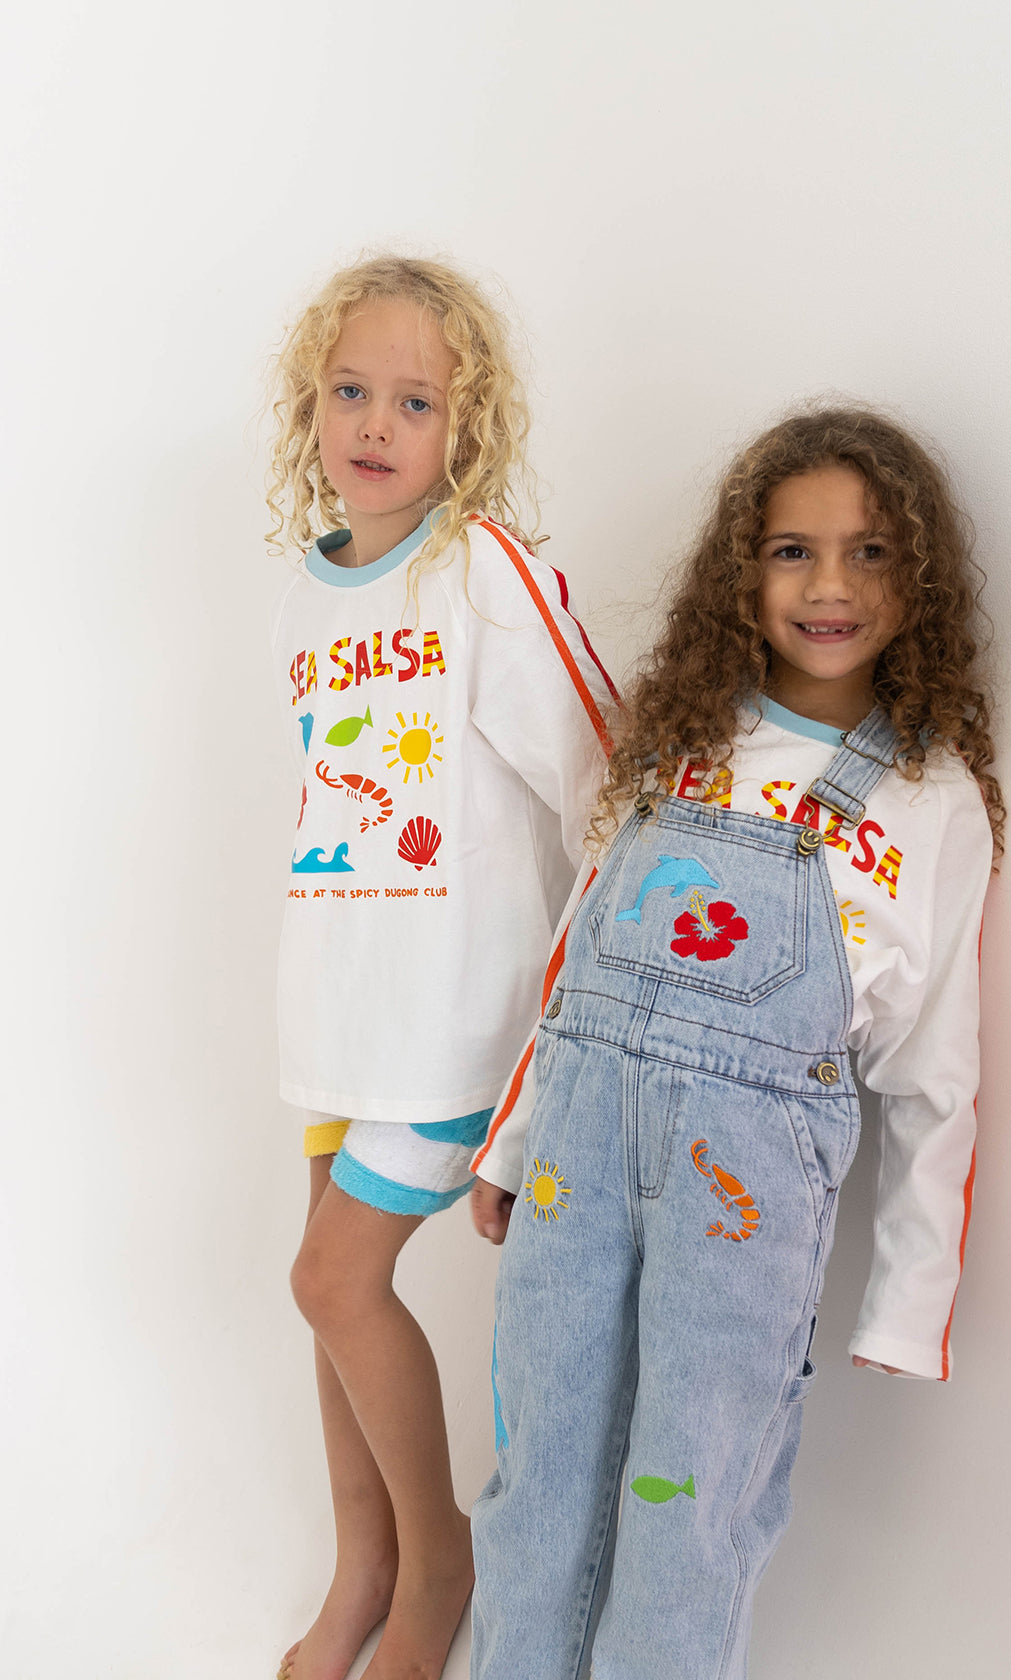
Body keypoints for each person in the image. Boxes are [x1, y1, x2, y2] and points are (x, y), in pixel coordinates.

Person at [468, 407, 1004, 1680]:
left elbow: (936, 1070)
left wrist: (910, 1296)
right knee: (539, 1464)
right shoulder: (679, 745)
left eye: (870, 553)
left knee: (686, 1497)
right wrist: (509, 1145)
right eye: (789, 551)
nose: (828, 586)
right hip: (576, 1157)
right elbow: (576, 964)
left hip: (747, 1195)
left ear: (917, 577)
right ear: (738, 572)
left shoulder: (930, 801)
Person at [266, 255, 615, 1680]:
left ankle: (437, 1575)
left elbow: (603, 767)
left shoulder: (485, 572)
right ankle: (367, 1566)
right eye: (351, 389)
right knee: (326, 1298)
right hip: (339, 1010)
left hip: (457, 1023)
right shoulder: (307, 586)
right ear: (313, 406)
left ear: (463, 430)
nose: (376, 421)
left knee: (335, 1281)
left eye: (415, 399)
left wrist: (566, 1022)